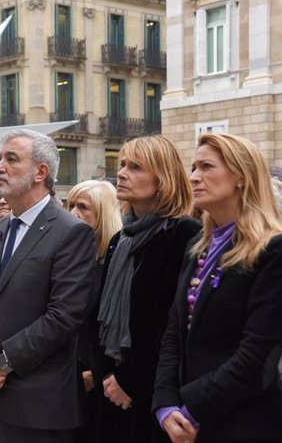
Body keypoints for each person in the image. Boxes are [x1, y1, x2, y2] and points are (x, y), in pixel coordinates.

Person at [0, 129, 96, 442]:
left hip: (36, 407)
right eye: (1, 158)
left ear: (40, 172)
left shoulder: (71, 233)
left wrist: (0, 366)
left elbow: (63, 316)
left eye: (12, 159)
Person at [153, 133, 282, 441]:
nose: (194, 177)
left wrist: (192, 409)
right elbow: (174, 332)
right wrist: (165, 404)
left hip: (244, 422)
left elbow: (256, 357)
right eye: (193, 167)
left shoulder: (272, 250)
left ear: (241, 175)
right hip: (185, 419)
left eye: (206, 167)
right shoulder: (198, 247)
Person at [92, 136, 200, 442]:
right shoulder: (120, 239)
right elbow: (99, 318)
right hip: (109, 385)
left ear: (163, 178)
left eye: (136, 167)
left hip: (151, 390)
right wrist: (107, 376)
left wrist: (128, 380)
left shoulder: (184, 233)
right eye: (123, 164)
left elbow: (171, 322)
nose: (122, 172)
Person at [67, 180, 122, 441]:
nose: (74, 213)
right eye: (71, 205)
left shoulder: (113, 265)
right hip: (66, 377)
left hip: (99, 382)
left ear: (104, 213)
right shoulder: (70, 263)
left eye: (83, 207)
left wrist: (96, 373)